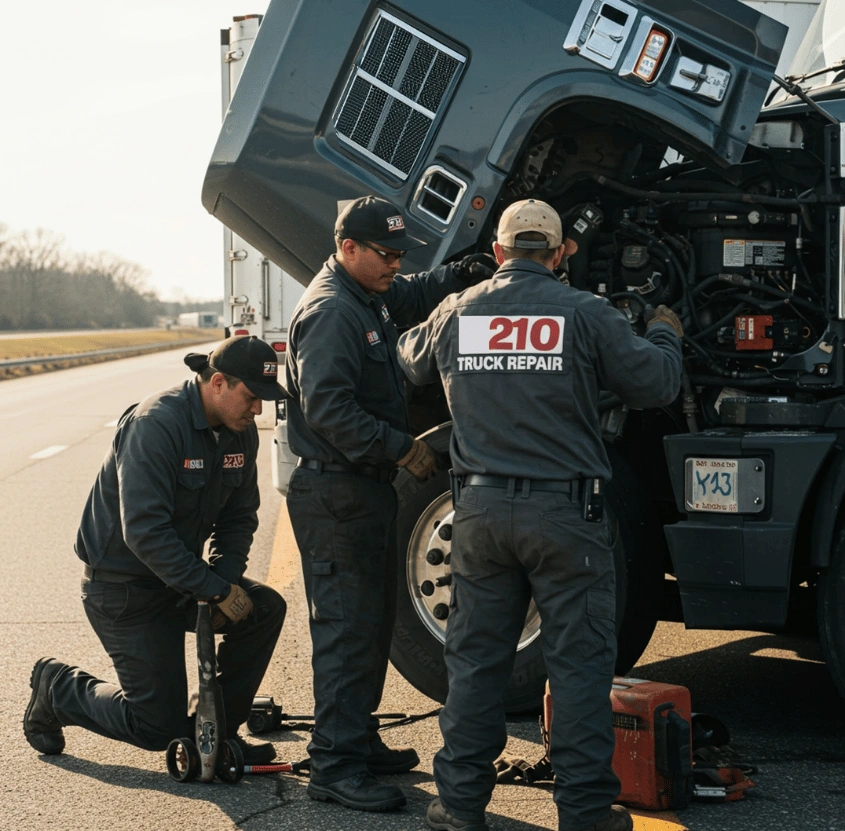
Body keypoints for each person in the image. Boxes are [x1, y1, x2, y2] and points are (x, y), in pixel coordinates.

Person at [396, 199, 684, 831]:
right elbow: (658, 383)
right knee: (579, 667)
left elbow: (407, 359)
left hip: (480, 514)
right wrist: (664, 330)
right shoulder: (585, 313)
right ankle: (583, 812)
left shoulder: (458, 311)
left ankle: (460, 805)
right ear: (559, 255)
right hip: (564, 515)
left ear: (498, 252)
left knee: (474, 665)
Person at [284, 195, 496, 813]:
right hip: (335, 492)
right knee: (347, 629)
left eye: (401, 255)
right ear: (348, 247)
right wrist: (402, 449)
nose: (395, 267)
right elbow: (328, 409)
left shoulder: (366, 293)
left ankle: (356, 737)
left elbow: (409, 297)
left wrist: (455, 277)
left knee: (372, 621)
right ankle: (334, 765)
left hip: (360, 489)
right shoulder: (329, 312)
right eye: (386, 256)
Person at [23, 336, 287, 766]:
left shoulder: (238, 434)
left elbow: (239, 518)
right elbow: (144, 533)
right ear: (218, 382)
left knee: (264, 608)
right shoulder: (157, 424)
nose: (259, 410)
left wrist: (224, 582)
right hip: (124, 591)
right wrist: (213, 590)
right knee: (157, 728)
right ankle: (57, 689)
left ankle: (218, 734)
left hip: (180, 579)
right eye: (253, 397)